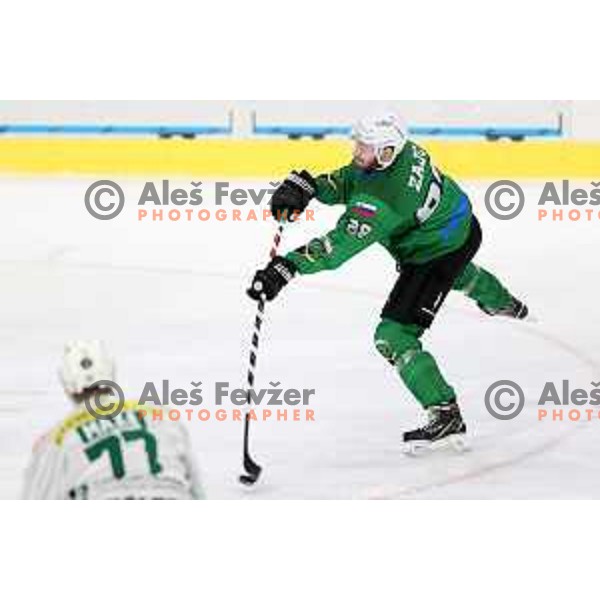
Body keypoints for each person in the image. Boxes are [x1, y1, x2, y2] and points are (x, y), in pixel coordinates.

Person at [248, 114, 528, 450]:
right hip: (459, 227)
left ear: (385, 152)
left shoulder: (383, 202)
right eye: (359, 145)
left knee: (392, 336)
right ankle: (502, 302)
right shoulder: (403, 152)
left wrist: (285, 268)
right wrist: (310, 187)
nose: (356, 152)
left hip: (436, 252)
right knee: (456, 273)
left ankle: (445, 413)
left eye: (364, 148)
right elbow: (352, 180)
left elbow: (335, 249)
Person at [22, 341, 205, 499]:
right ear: (111, 373)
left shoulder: (57, 438)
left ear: (67, 386)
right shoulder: (162, 415)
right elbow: (197, 491)